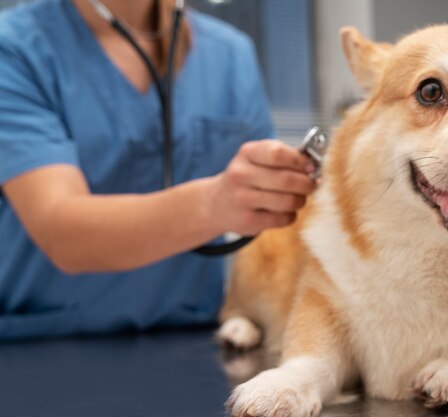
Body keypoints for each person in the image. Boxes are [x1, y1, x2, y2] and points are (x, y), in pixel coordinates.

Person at [0, 0, 316, 340]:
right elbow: (62, 230)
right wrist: (214, 204)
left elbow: (278, 216)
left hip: (190, 342)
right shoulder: (16, 48)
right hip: (42, 346)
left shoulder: (230, 56)